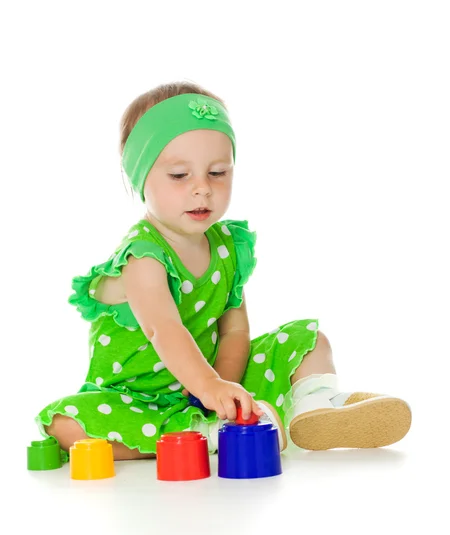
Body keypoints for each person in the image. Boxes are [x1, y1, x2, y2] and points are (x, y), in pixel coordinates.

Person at [35, 81, 412, 461]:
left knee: (309, 340)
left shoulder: (228, 247)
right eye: (180, 176)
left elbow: (236, 329)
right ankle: (205, 434)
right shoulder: (142, 257)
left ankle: (313, 408)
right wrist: (210, 386)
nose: (202, 189)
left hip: (210, 381)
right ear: (140, 178)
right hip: (140, 397)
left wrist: (222, 388)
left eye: (217, 172)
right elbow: (164, 330)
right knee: (64, 422)